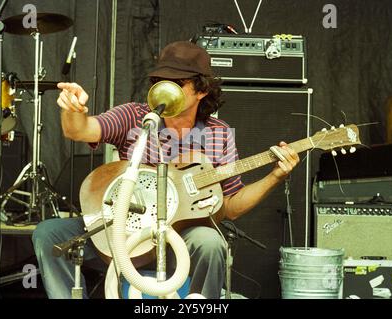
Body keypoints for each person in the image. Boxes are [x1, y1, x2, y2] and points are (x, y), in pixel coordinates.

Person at [32, 41, 300, 299]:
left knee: (210, 243)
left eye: (178, 83)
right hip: (123, 229)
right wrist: (73, 109)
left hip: (179, 236)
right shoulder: (133, 116)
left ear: (201, 90)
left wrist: (275, 176)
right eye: (162, 80)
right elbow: (78, 130)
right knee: (49, 233)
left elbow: (228, 206)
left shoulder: (218, 134)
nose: (167, 87)